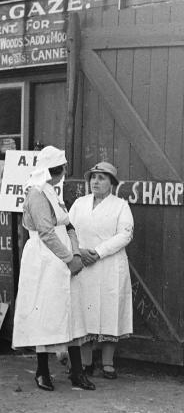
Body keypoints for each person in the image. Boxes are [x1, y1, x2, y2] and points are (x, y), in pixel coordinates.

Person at [12, 146, 94, 391]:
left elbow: (68, 226)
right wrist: (69, 259)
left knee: (73, 313)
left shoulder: (52, 192)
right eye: (63, 168)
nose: (64, 172)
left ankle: (77, 372)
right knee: (45, 313)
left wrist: (76, 253)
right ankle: (42, 371)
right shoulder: (36, 194)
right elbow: (46, 233)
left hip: (64, 255)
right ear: (56, 170)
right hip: (43, 259)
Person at [69, 162, 134, 380]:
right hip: (83, 264)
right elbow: (69, 230)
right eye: (93, 177)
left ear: (111, 183)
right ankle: (86, 362)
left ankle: (108, 363)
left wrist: (98, 252)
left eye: (101, 178)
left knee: (109, 310)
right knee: (84, 311)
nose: (95, 182)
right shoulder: (79, 204)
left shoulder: (120, 206)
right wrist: (79, 251)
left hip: (109, 264)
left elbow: (125, 235)